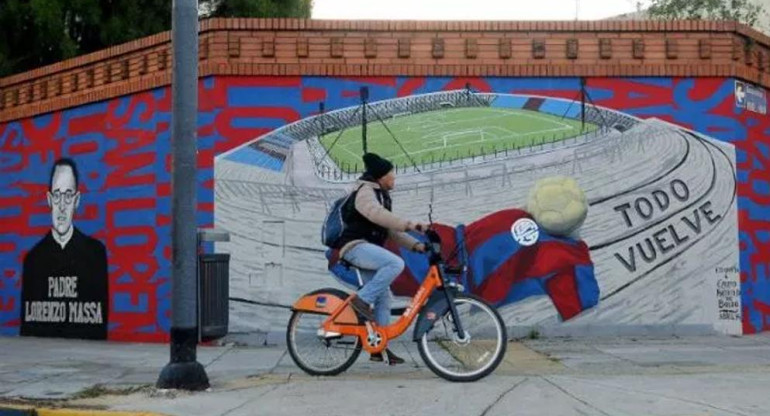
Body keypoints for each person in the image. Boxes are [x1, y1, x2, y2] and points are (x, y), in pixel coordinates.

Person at [335, 153, 428, 365]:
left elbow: (390, 229)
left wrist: (416, 245)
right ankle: (360, 301)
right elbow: (376, 215)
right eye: (391, 174)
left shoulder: (381, 194)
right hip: (354, 247)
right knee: (395, 263)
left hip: (368, 249)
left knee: (385, 298)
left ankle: (379, 347)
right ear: (380, 176)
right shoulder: (366, 192)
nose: (394, 178)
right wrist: (410, 223)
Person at [20, 157, 109, 340]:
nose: (61, 206)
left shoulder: (95, 254)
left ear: (76, 200)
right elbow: (27, 330)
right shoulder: (33, 259)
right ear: (49, 199)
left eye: (68, 195)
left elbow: (100, 328)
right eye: (57, 195)